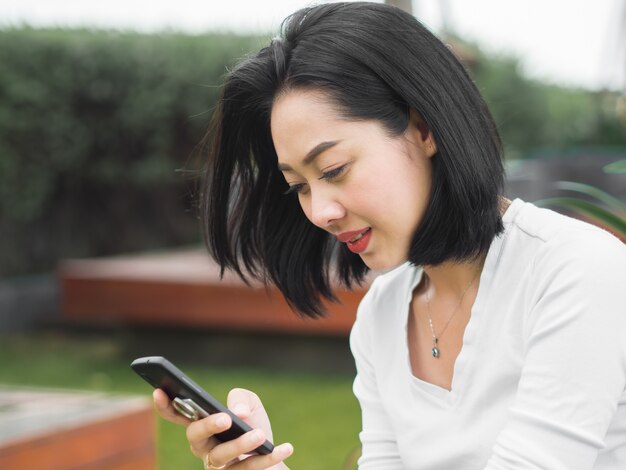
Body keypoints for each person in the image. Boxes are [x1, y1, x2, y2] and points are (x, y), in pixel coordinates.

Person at [153, 2, 626, 469]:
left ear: (422, 128)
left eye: (334, 169)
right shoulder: (384, 313)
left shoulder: (575, 271)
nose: (320, 212)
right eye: (299, 186)